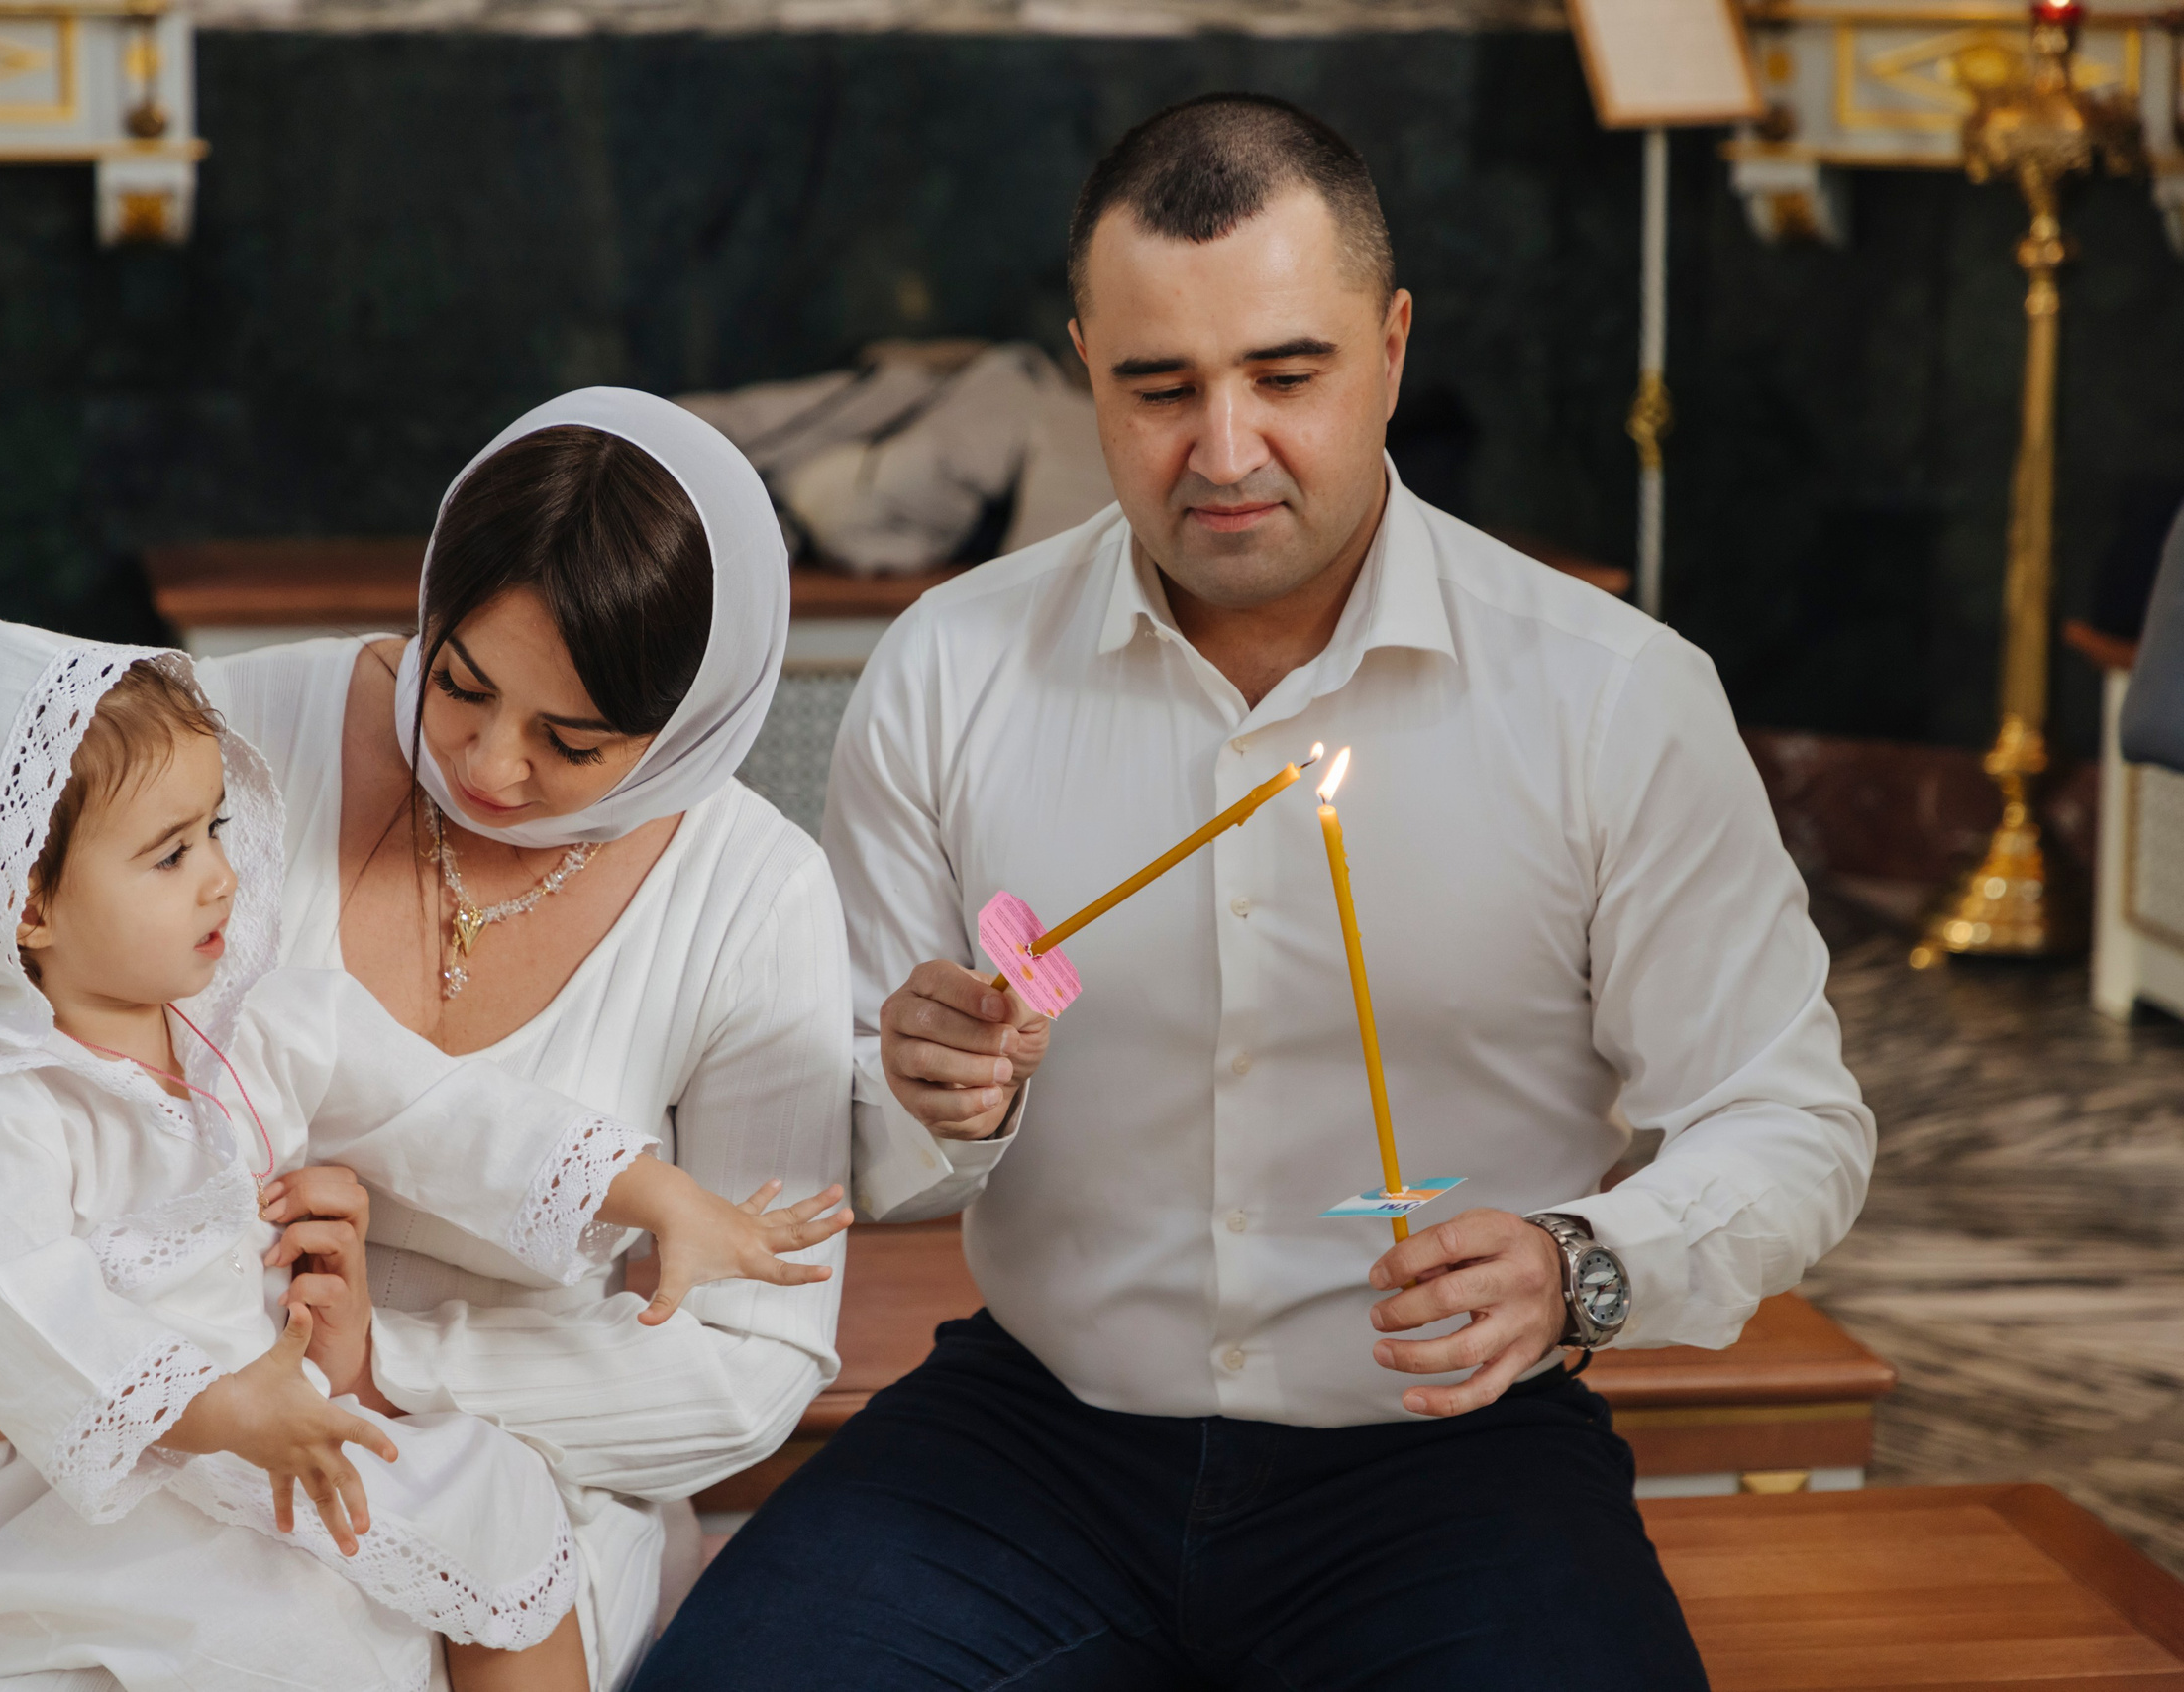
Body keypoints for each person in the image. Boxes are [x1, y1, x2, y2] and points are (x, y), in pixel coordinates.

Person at [640, 94, 1874, 1690]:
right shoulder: (950, 669)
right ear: (1086, 362)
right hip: (1040, 1431)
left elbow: (1790, 1119)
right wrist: (935, 1094)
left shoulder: (1611, 697)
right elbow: (854, 1155)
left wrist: (1583, 1264)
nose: (1224, 454)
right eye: (1159, 388)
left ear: (1393, 347)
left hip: (1446, 1449)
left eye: (1287, 377)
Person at [0, 390, 856, 1690]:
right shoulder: (207, 756)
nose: (486, 764)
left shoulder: (755, 898)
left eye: (573, 740)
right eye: (461, 682)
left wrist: (408, 1354)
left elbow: (448, 1123)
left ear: (686, 724)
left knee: (469, 1545)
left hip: (482, 1433)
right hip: (143, 1438)